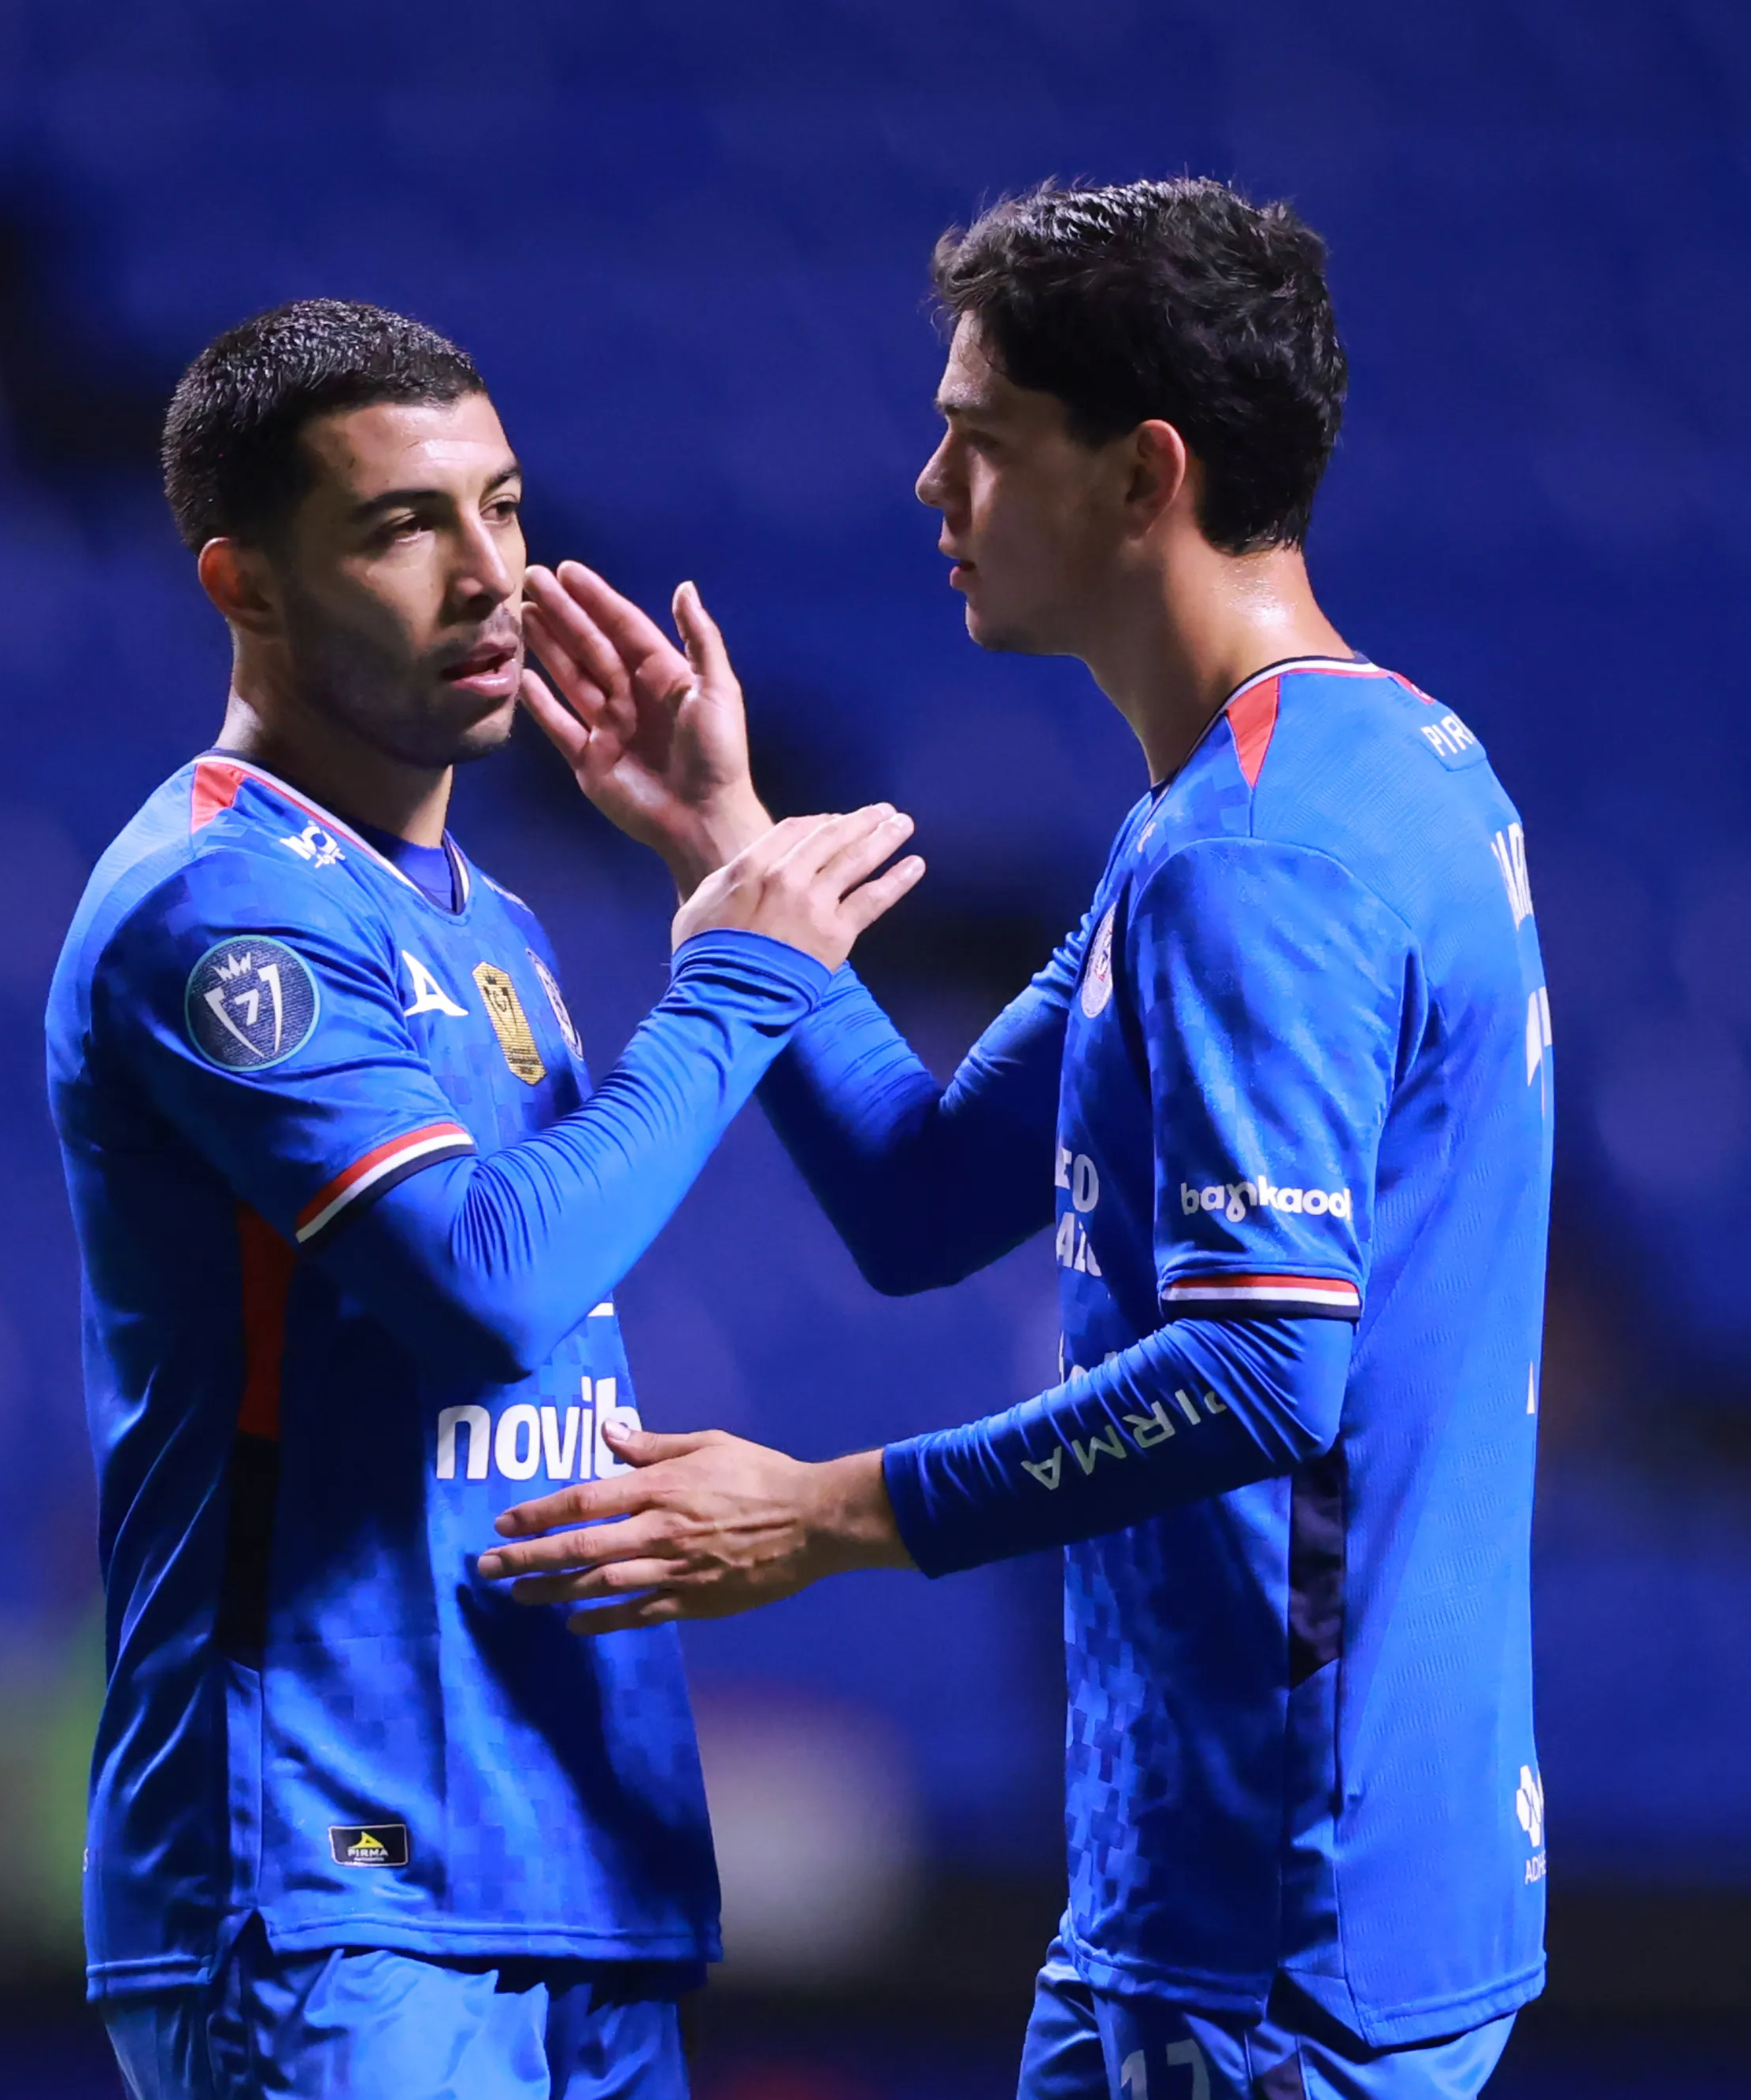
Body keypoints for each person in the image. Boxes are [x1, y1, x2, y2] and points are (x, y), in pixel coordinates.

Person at [491, 179, 1553, 2097]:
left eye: (978, 438)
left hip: (1269, 1929)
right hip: (1242, 1892)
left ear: (1142, 474)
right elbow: (921, 1194)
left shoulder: (1252, 855)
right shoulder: (1349, 774)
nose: (929, 484)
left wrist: (819, 1515)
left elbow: (1258, 1369)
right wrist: (727, 849)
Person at [47, 298, 923, 2098]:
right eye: (401, 526)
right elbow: (479, 1280)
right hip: (333, 1877)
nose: (488, 577)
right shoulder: (215, 909)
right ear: (242, 584)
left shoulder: (490, 923)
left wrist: (715, 855)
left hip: (564, 1858)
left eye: (503, 508)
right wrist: (737, 980)